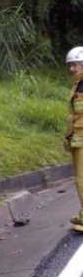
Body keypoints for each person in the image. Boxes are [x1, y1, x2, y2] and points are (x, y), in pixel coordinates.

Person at [65, 46, 83, 233]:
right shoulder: (78, 84)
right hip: (77, 138)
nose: (72, 69)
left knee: (81, 179)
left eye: (75, 65)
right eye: (70, 65)